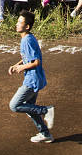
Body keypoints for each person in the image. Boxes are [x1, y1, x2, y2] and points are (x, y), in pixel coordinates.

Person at [8, 10, 55, 144]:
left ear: (27, 26)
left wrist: (21, 68)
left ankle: (46, 110)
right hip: (35, 78)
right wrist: (16, 64)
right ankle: (45, 133)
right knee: (30, 108)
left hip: (32, 80)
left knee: (14, 105)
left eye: (20, 22)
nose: (17, 24)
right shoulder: (28, 38)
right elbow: (28, 58)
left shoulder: (27, 41)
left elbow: (36, 62)